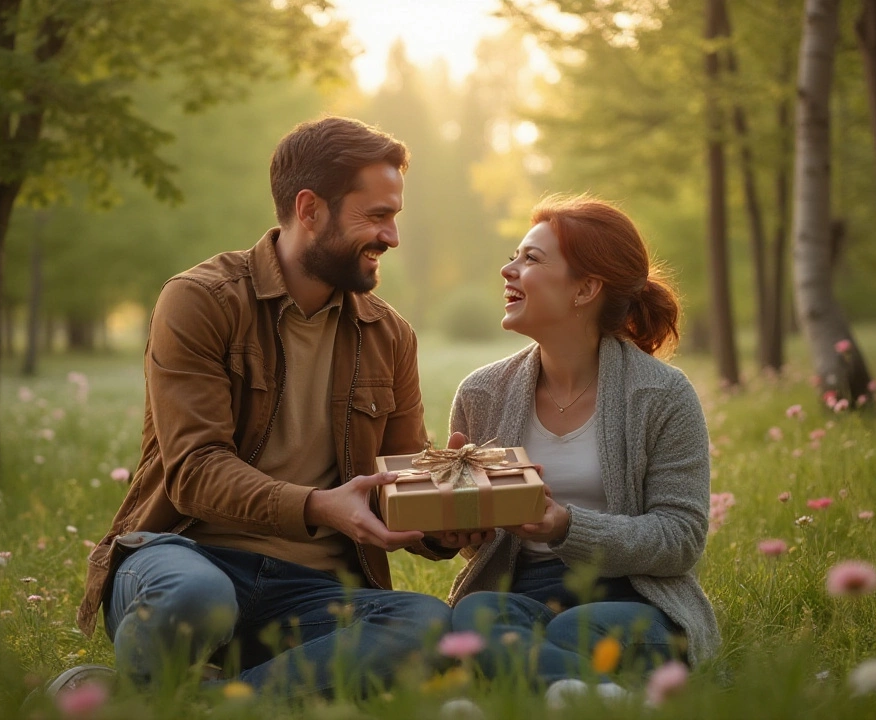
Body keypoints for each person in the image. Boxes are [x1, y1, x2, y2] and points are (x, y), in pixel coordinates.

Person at [57, 116, 453, 699]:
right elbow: (193, 471)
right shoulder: (201, 301)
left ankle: (183, 704)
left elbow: (398, 482)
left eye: (394, 216)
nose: (392, 236)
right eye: (376, 216)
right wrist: (320, 507)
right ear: (310, 209)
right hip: (187, 558)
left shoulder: (389, 335)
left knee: (425, 622)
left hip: (312, 592)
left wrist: (461, 509)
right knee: (198, 597)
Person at [440, 195, 720, 691]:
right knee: (478, 610)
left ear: (586, 288)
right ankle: (594, 695)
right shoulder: (482, 392)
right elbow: (477, 550)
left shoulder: (661, 395)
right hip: (519, 593)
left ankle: (539, 681)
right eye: (514, 255)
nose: (508, 270)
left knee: (576, 627)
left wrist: (565, 525)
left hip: (634, 596)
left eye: (531, 259)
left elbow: (680, 540)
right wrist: (464, 524)